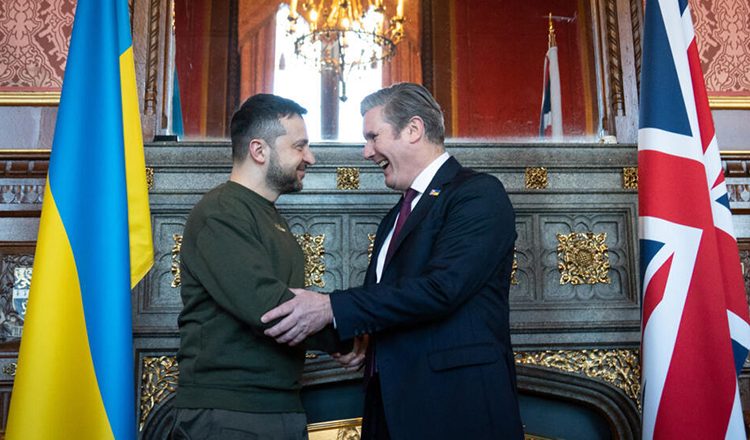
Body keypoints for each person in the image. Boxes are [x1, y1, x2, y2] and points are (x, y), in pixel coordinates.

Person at [261, 83, 524, 439]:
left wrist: (331, 307)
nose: (366, 152)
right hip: (391, 405)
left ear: (413, 129)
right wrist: (363, 339)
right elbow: (394, 301)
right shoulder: (396, 216)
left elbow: (441, 289)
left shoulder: (478, 194)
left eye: (373, 137)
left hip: (458, 407)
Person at [170, 94, 360, 440]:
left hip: (274, 407)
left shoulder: (266, 214)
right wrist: (347, 339)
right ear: (259, 150)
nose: (310, 158)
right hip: (232, 414)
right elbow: (269, 307)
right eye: (299, 146)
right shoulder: (221, 212)